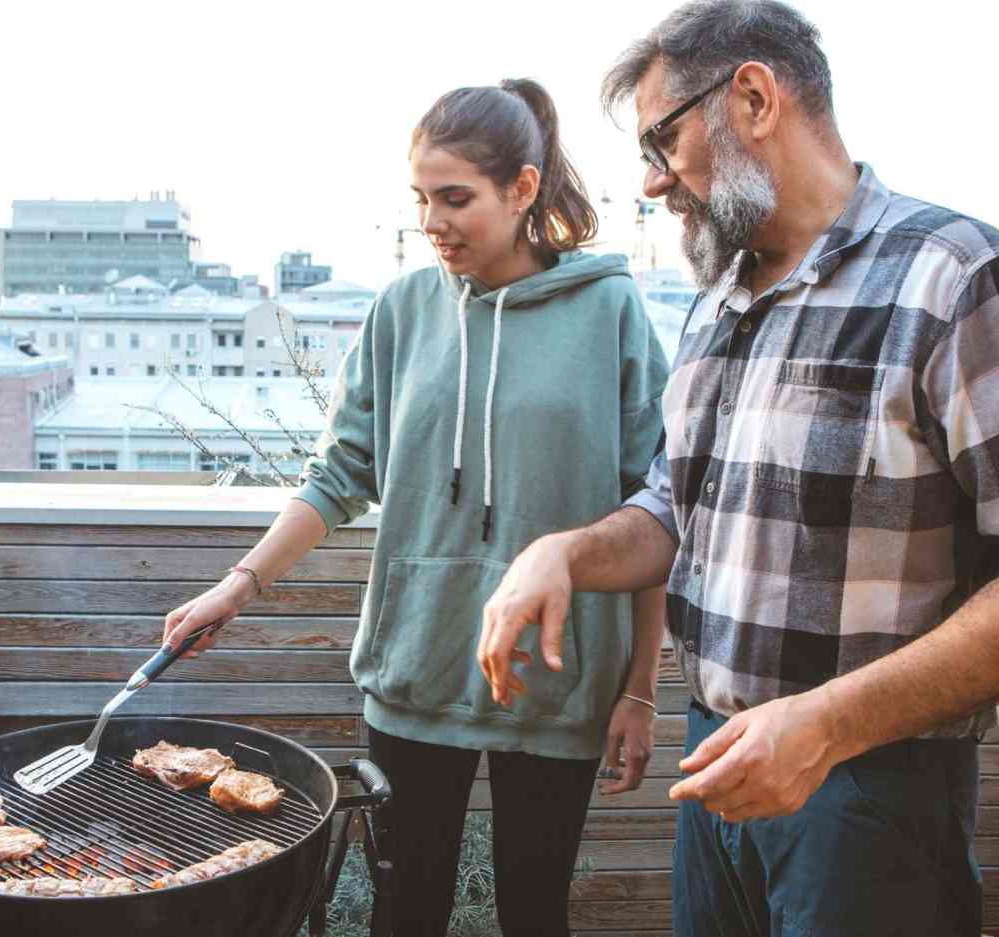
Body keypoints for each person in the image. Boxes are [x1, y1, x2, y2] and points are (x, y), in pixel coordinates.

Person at [475, 2, 999, 935]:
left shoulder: (953, 278)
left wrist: (829, 724)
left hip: (873, 795)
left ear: (753, 97)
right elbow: (674, 506)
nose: (649, 180)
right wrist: (566, 553)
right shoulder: (716, 300)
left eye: (661, 141)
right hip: (711, 761)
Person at [161, 78, 669, 937]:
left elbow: (653, 510)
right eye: (421, 198)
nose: (432, 222)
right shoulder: (400, 311)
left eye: (456, 198)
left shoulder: (609, 309)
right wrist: (237, 587)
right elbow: (338, 474)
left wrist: (643, 691)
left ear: (523, 188)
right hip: (416, 665)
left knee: (535, 914)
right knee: (405, 912)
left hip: (558, 673)